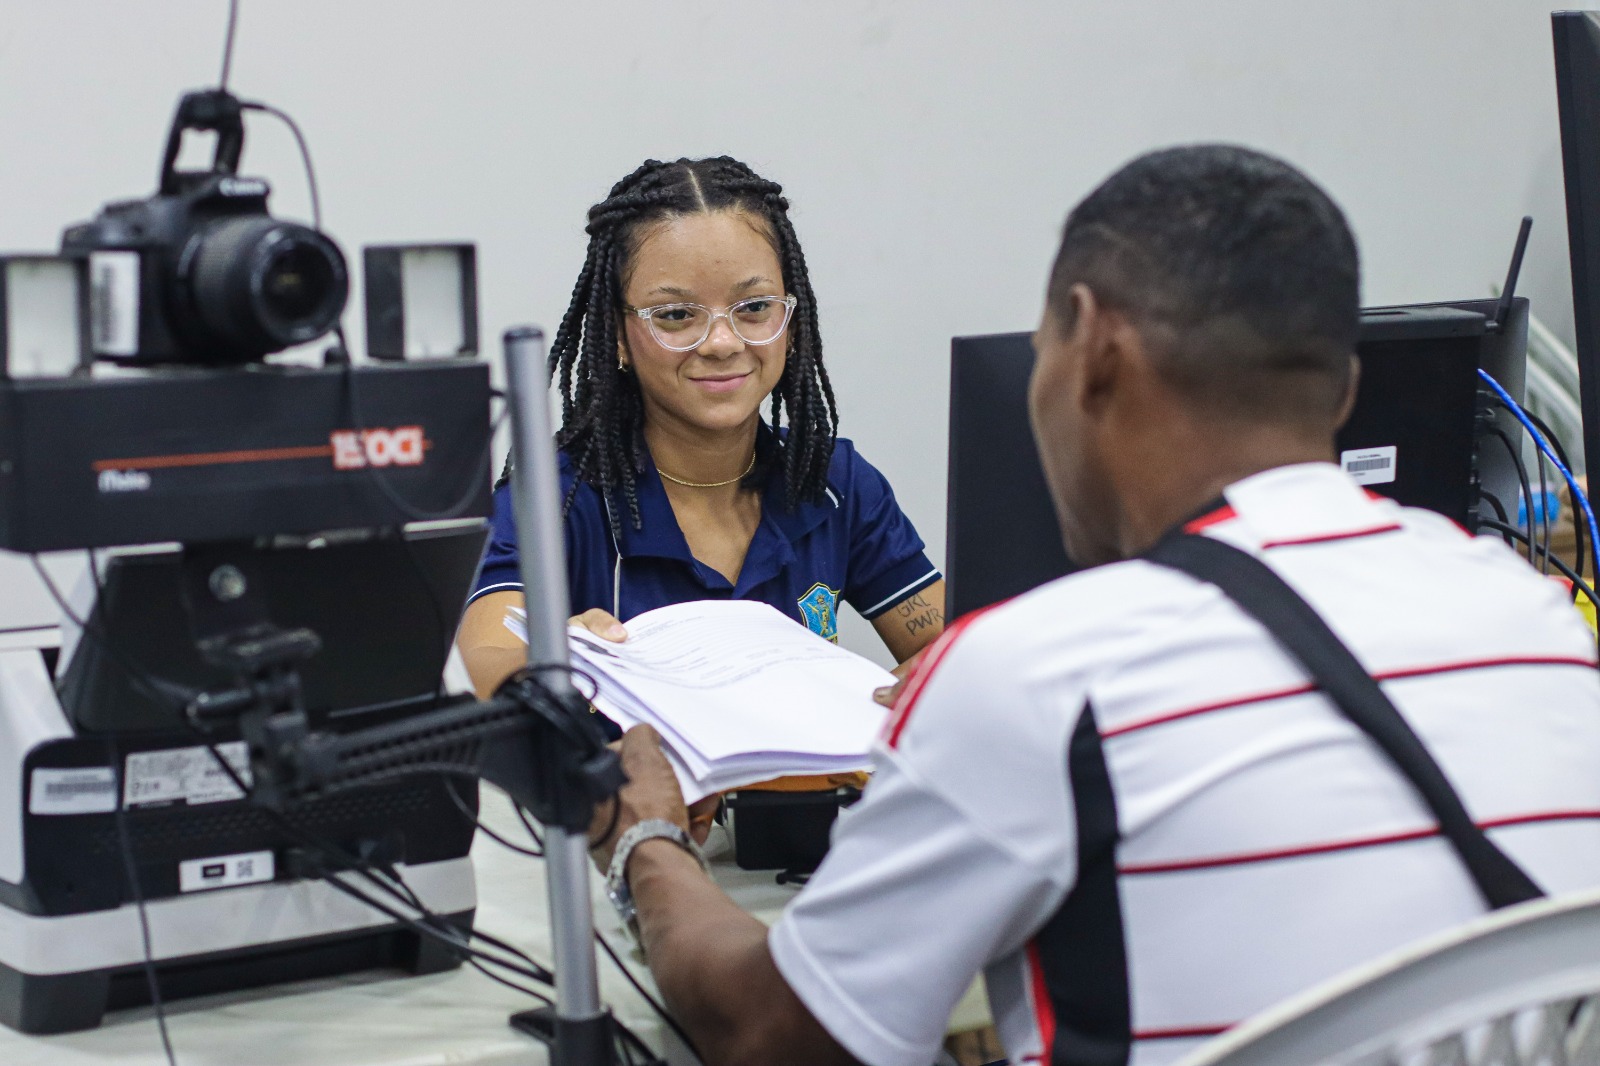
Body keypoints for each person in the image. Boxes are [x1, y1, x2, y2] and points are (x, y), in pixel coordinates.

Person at [583, 144, 1600, 1066]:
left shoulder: (1037, 674)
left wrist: (647, 838)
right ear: (1340, 390)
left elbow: (775, 1037)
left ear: (1091, 350)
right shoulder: (1540, 622)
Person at [458, 157, 945, 706]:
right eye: (675, 315)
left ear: (793, 315)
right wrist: (556, 658)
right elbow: (488, 662)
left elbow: (949, 641)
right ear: (618, 334)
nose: (720, 342)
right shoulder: (556, 497)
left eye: (755, 307)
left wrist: (928, 679)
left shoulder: (834, 480)